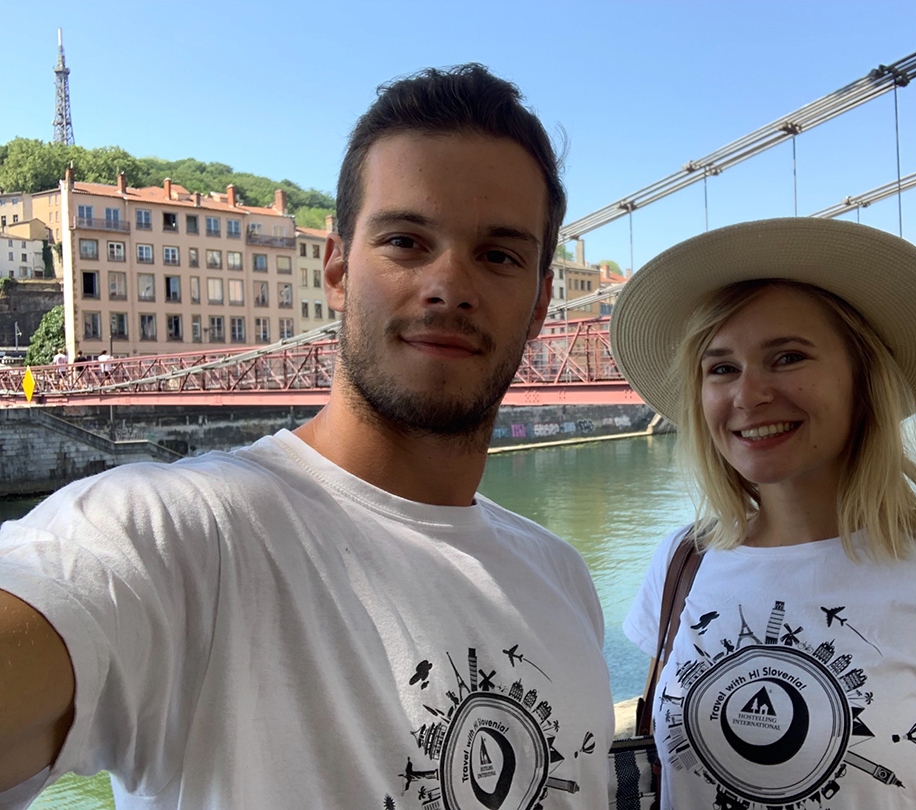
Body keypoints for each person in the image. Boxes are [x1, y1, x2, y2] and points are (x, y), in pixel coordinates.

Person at [0, 64, 613, 809]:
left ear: (542, 299)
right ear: (335, 269)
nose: (449, 284)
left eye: (500, 255)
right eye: (406, 241)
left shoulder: (565, 580)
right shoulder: (181, 536)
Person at [613, 218, 916, 810]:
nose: (748, 395)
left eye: (788, 357)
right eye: (721, 368)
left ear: (863, 380)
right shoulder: (682, 560)